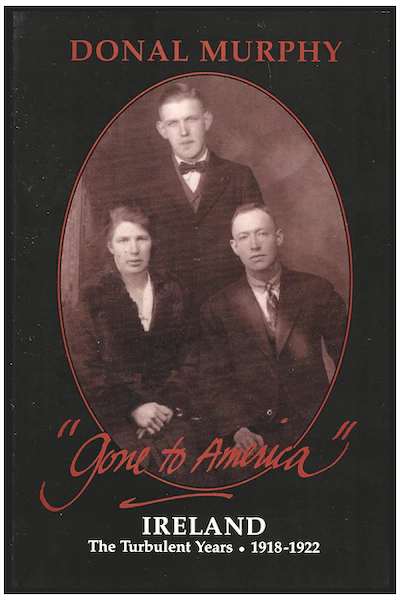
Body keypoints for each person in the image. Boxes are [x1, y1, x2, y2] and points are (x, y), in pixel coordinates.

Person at [199, 203, 348, 458]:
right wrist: (238, 429)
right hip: (254, 431)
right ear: (234, 247)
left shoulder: (316, 290)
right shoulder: (217, 307)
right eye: (244, 237)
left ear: (278, 237)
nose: (254, 245)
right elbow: (213, 379)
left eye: (262, 233)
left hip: (314, 421)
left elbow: (350, 354)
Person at [68, 204, 196, 469]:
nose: (134, 249)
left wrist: (168, 404)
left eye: (141, 238)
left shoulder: (174, 290)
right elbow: (85, 369)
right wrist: (133, 408)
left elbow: (192, 357)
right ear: (110, 246)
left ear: (152, 243)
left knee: (186, 461)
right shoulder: (92, 296)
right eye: (123, 240)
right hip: (115, 418)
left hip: (169, 413)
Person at [137, 82, 263, 313]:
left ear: (206, 120)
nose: (183, 132)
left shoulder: (240, 177)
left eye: (191, 119)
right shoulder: (146, 186)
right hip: (168, 314)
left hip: (233, 311)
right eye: (173, 123)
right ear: (162, 130)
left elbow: (259, 247)